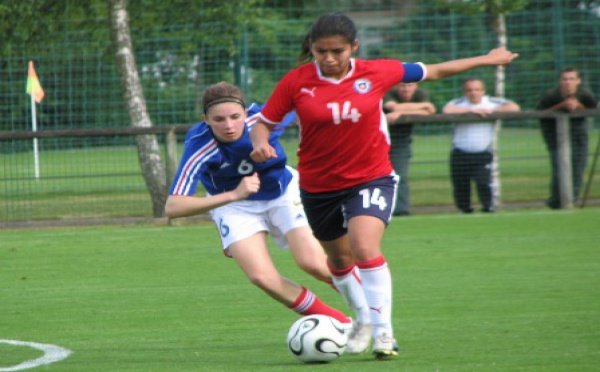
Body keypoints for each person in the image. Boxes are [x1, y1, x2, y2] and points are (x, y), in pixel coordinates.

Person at [249, 12, 518, 359]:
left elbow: (433, 71)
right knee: (338, 259)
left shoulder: (376, 71)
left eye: (337, 51)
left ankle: (384, 334)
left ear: (353, 47)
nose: (329, 59)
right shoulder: (296, 82)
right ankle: (361, 321)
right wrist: (260, 142)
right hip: (319, 185)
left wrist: (487, 59)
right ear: (312, 50)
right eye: (320, 51)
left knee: (364, 247)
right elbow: (264, 123)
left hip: (370, 176)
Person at [165, 82, 372, 335]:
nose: (229, 126)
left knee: (313, 263)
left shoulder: (264, 119)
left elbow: (309, 103)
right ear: (205, 119)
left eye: (235, 117)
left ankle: (374, 313)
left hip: (282, 193)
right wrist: (234, 194)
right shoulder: (199, 144)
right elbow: (173, 207)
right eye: (219, 119)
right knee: (262, 277)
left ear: (245, 112)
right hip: (233, 205)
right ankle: (341, 324)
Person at [442, 78, 521, 213]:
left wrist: (489, 110)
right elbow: (447, 110)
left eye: (477, 89)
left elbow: (514, 107)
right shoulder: (458, 103)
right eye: (469, 90)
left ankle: (488, 208)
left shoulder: (491, 102)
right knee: (461, 185)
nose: (473, 93)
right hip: (460, 152)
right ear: (464, 92)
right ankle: (465, 210)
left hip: (483, 152)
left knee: (483, 182)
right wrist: (472, 111)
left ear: (483, 91)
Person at [536, 67, 598, 209]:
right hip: (555, 135)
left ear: (578, 81)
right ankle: (556, 201)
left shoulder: (584, 94)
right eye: (565, 79)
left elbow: (593, 110)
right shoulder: (551, 95)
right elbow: (539, 113)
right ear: (560, 81)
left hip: (578, 134)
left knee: (578, 166)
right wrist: (561, 106)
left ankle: (573, 199)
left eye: (571, 79)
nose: (568, 82)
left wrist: (579, 106)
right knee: (560, 167)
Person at [383, 82, 436, 216]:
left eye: (409, 85)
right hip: (378, 140)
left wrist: (400, 111)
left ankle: (401, 210)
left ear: (416, 86)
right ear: (395, 86)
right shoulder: (387, 93)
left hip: (401, 142)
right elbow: (392, 106)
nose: (406, 89)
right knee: (376, 177)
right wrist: (421, 108)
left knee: (399, 176)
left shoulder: (420, 94)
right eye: (402, 86)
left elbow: (430, 111)